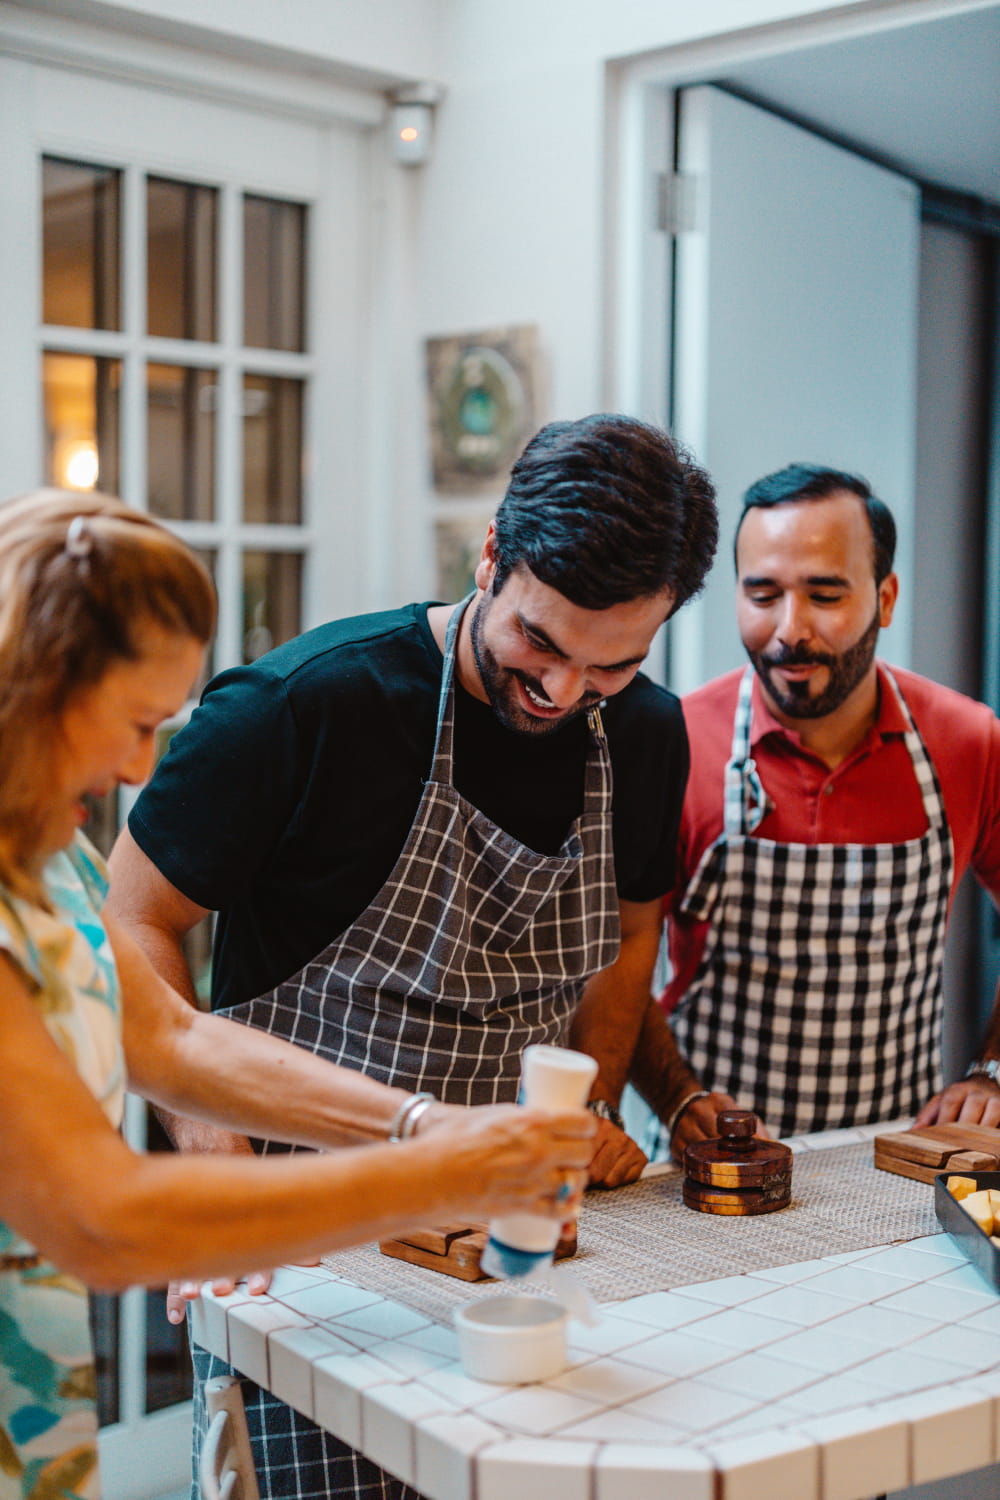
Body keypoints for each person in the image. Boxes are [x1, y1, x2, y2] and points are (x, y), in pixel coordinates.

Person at [105, 412, 719, 1500]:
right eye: (539, 642)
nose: (563, 692)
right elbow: (131, 921)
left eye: (610, 664)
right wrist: (212, 1160)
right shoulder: (305, 706)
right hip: (300, 1233)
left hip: (512, 1229)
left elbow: (629, 939)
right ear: (491, 553)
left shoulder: (647, 735)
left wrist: (589, 1118)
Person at [0, 489, 597, 1500]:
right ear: (38, 683)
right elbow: (100, 1217)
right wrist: (445, 1180)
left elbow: (174, 1044)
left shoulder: (46, 859)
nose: (144, 764)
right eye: (138, 723)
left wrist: (421, 1123)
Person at [629, 462, 1000, 1161]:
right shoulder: (675, 743)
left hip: (896, 1162)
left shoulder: (968, 741)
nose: (789, 631)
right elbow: (615, 958)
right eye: (761, 594)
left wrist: (994, 1071)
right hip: (702, 1169)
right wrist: (677, 1097)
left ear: (885, 598)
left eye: (825, 594)